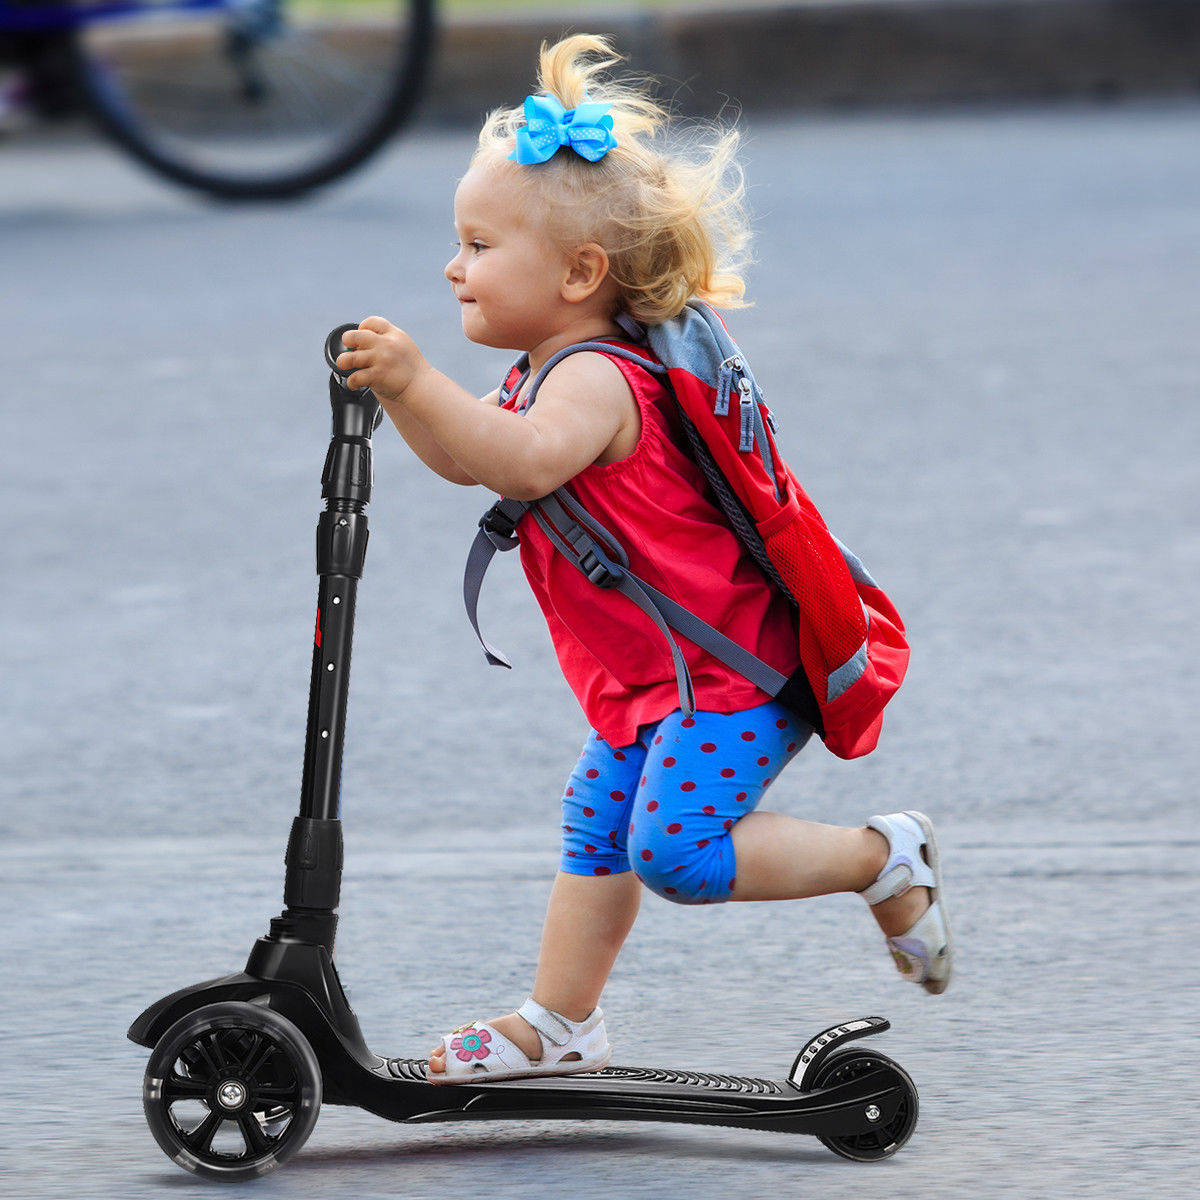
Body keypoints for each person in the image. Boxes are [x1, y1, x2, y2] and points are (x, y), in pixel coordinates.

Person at [336, 34, 952, 1085]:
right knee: (598, 827)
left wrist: (416, 375)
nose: (453, 266)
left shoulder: (597, 384)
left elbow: (522, 465)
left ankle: (880, 855)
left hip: (736, 677)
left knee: (674, 852)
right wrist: (404, 394)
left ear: (579, 272)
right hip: (662, 681)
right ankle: (561, 1022)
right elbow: (468, 462)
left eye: (479, 246)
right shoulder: (548, 370)